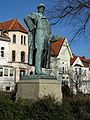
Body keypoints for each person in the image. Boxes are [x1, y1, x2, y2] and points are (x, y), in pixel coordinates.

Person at [24, 4, 51, 75]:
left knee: (44, 51)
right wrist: (32, 27)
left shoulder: (46, 19)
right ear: (38, 9)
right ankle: (37, 70)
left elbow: (48, 29)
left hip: (46, 35)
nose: (42, 9)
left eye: (43, 8)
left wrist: (49, 37)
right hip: (39, 33)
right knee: (39, 50)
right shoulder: (35, 15)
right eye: (40, 8)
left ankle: (40, 68)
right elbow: (26, 17)